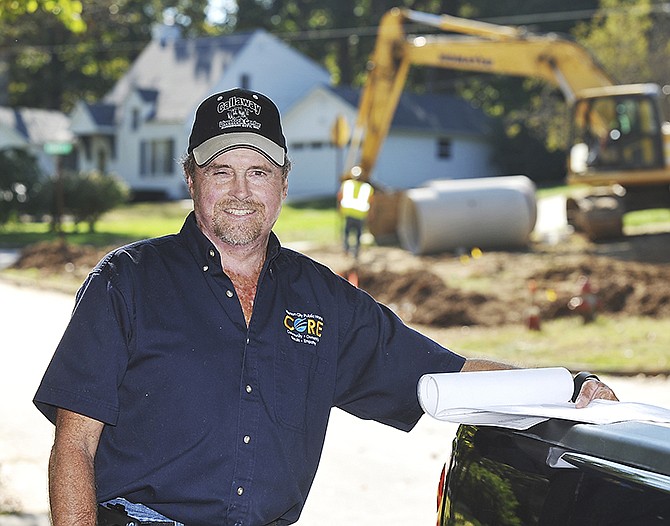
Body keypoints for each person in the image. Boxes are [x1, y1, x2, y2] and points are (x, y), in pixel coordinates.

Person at [34, 87, 618, 526]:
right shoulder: (126, 283)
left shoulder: (323, 300)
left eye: (258, 172)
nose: (241, 191)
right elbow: (75, 445)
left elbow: (446, 373)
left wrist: (563, 386)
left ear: (283, 186)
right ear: (192, 180)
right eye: (222, 171)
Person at [337, 166, 373, 259]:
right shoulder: (367, 187)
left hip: (349, 213)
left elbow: (340, 197)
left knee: (347, 233)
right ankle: (355, 252)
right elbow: (370, 201)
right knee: (357, 235)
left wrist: (340, 209)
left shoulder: (347, 184)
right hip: (360, 214)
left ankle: (346, 250)